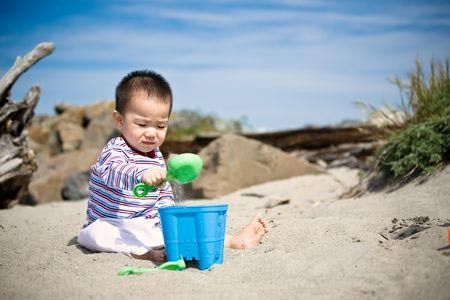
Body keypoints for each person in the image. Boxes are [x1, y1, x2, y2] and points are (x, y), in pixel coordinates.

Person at [78, 70, 268, 262]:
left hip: (146, 225)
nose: (152, 133)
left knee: (182, 229)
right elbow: (113, 172)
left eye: (160, 126)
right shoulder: (115, 149)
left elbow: (163, 194)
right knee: (93, 235)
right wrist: (142, 174)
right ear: (120, 120)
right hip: (112, 224)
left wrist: (169, 216)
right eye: (142, 124)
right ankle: (141, 253)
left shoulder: (157, 157)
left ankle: (234, 241)